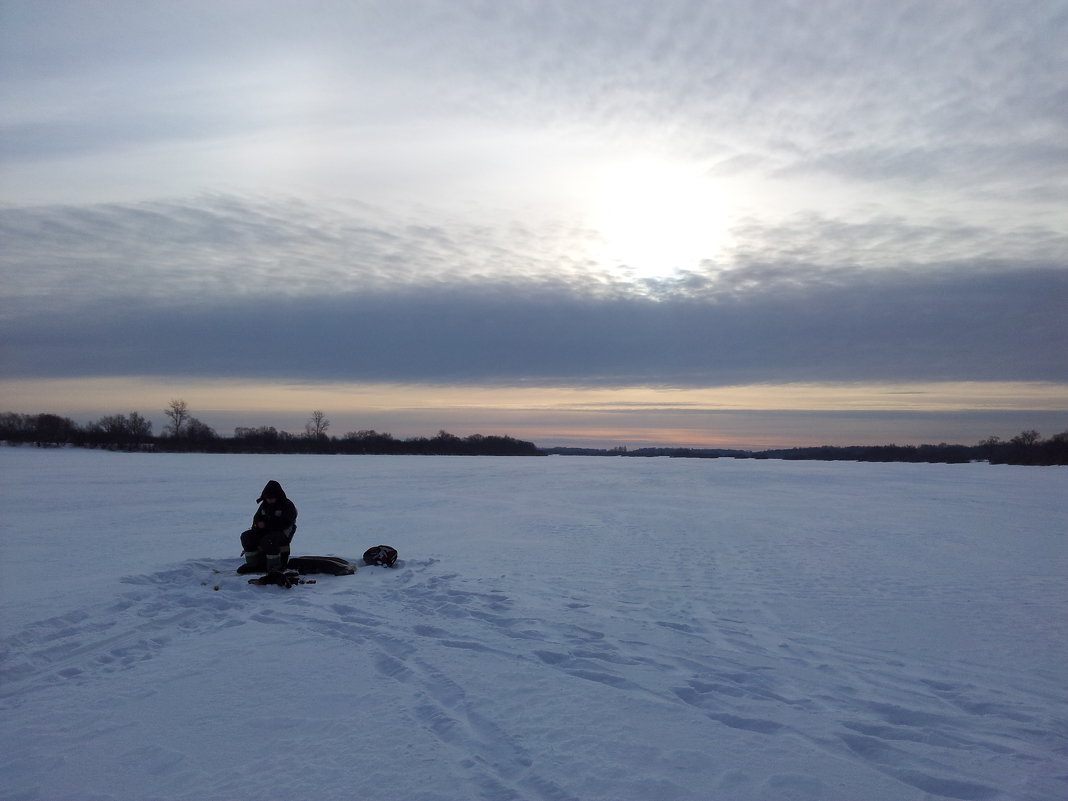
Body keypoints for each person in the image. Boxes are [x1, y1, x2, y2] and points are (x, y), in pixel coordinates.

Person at [238, 480, 298, 573]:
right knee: (247, 536)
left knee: (269, 540)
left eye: (272, 498)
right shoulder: (264, 505)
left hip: (283, 533)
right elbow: (257, 518)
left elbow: (285, 523)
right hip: (265, 532)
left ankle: (274, 566)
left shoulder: (287, 505)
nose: (269, 500)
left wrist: (267, 525)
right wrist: (257, 525)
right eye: (267, 498)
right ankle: (253, 564)